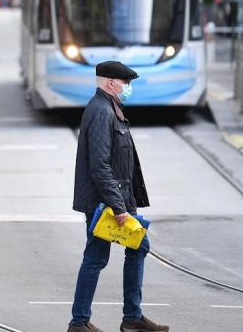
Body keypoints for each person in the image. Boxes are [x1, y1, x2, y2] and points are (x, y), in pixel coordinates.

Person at [67, 61, 167, 332]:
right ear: (111, 83)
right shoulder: (101, 112)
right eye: (125, 83)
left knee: (138, 246)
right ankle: (79, 322)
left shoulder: (111, 109)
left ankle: (132, 317)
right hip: (107, 201)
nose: (128, 88)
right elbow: (99, 167)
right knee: (97, 256)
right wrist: (118, 206)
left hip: (118, 197)